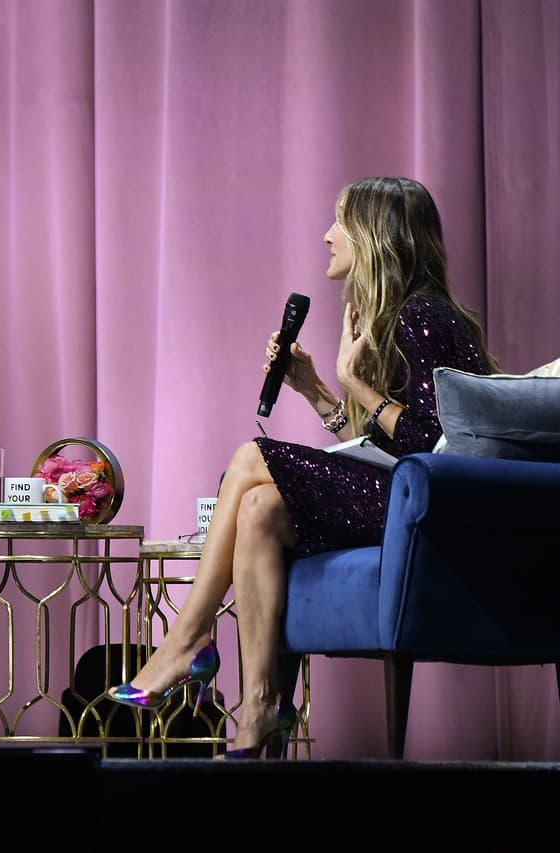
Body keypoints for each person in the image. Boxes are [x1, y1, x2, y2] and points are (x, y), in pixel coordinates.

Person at [107, 176, 498, 757]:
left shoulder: (425, 316)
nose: (327, 235)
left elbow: (440, 444)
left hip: (432, 510)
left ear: (374, 237)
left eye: (340, 222)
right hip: (402, 493)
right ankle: (260, 707)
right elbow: (386, 444)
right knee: (260, 506)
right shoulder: (394, 316)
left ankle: (188, 639)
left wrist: (357, 383)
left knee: (251, 456)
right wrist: (318, 392)